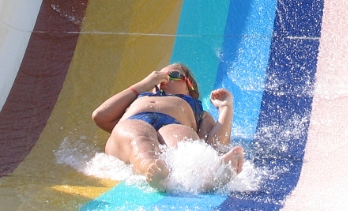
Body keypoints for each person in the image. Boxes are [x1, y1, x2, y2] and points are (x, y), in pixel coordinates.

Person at [92, 63, 244, 189]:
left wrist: (226, 108)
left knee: (182, 141)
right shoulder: (138, 98)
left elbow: (214, 145)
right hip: (135, 122)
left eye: (174, 75)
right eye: (159, 76)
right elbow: (100, 116)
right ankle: (152, 170)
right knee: (139, 138)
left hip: (174, 124)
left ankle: (207, 178)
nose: (163, 79)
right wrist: (144, 84)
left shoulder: (199, 111)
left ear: (189, 87)